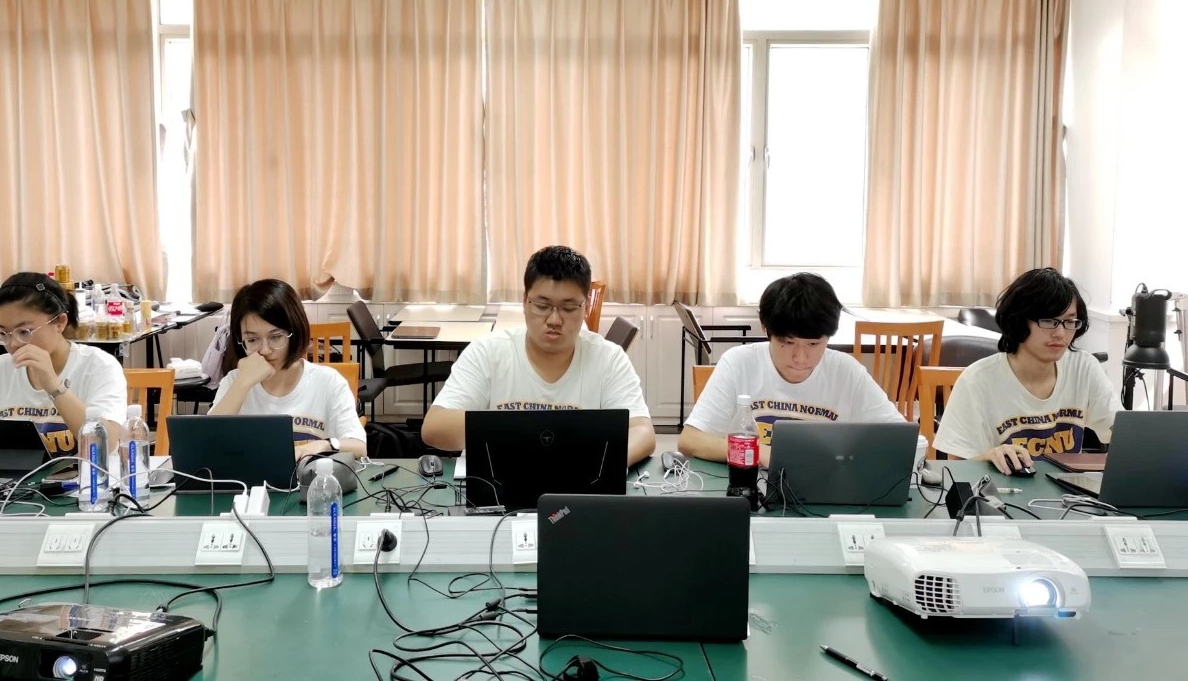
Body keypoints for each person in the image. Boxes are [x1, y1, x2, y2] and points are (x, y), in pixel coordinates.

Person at [421, 245, 655, 466]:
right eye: (542, 306)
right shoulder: (488, 352)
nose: (554, 320)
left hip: (580, 484)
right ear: (525, 302)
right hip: (497, 484)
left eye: (568, 307)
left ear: (585, 308)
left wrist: (602, 464)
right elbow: (434, 427)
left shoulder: (608, 359)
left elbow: (642, 432)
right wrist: (527, 433)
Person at [679, 272, 913, 466]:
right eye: (787, 342)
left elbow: (901, 439)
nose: (800, 358)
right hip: (752, 489)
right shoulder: (739, 363)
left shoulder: (847, 372)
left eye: (813, 344)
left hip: (827, 489)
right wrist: (760, 452)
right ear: (765, 329)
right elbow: (690, 440)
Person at [934, 268, 1118, 475]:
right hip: (1001, 491)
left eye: (1069, 321)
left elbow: (1123, 434)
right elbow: (957, 468)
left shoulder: (1084, 368)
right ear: (1019, 320)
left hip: (1067, 493)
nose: (1060, 333)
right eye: (1048, 321)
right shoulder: (976, 381)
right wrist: (987, 457)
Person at [0, 272, 127, 458]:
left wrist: (54, 386)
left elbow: (107, 444)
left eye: (24, 331)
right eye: (3, 333)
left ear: (60, 322)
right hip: (14, 479)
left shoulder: (98, 366)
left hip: (83, 477)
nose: (13, 344)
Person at [210, 279, 367, 459]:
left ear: (295, 332)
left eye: (276, 337)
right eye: (252, 340)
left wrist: (325, 444)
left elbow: (359, 446)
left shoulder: (328, 381)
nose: (265, 350)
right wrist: (243, 383)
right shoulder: (234, 381)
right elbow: (207, 444)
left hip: (311, 477)